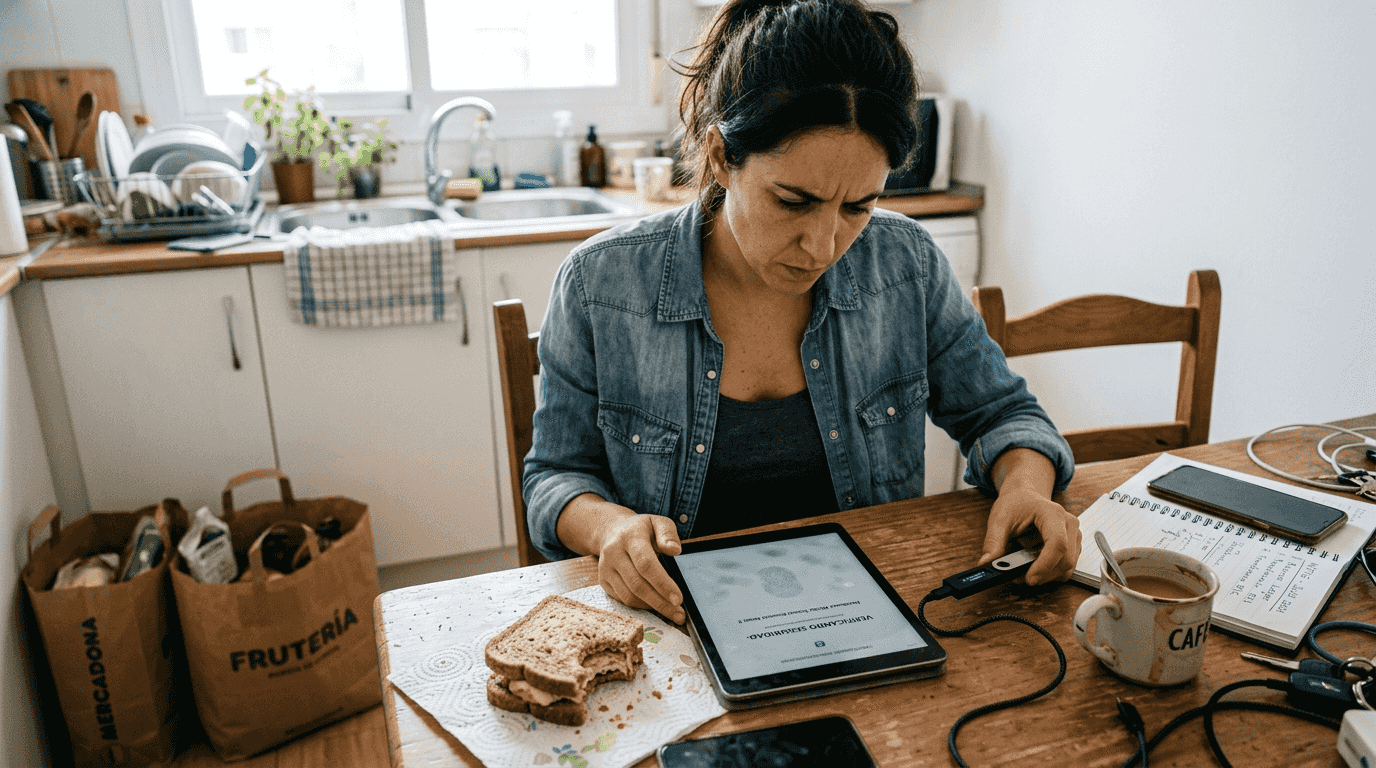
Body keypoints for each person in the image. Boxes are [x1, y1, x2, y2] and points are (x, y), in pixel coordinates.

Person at [523, 0, 1081, 624]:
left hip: (867, 615)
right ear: (719, 157)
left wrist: (1028, 488)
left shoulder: (907, 265)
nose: (823, 246)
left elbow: (1003, 414)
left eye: (857, 207)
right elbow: (556, 476)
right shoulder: (602, 284)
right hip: (675, 629)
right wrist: (609, 530)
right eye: (793, 201)